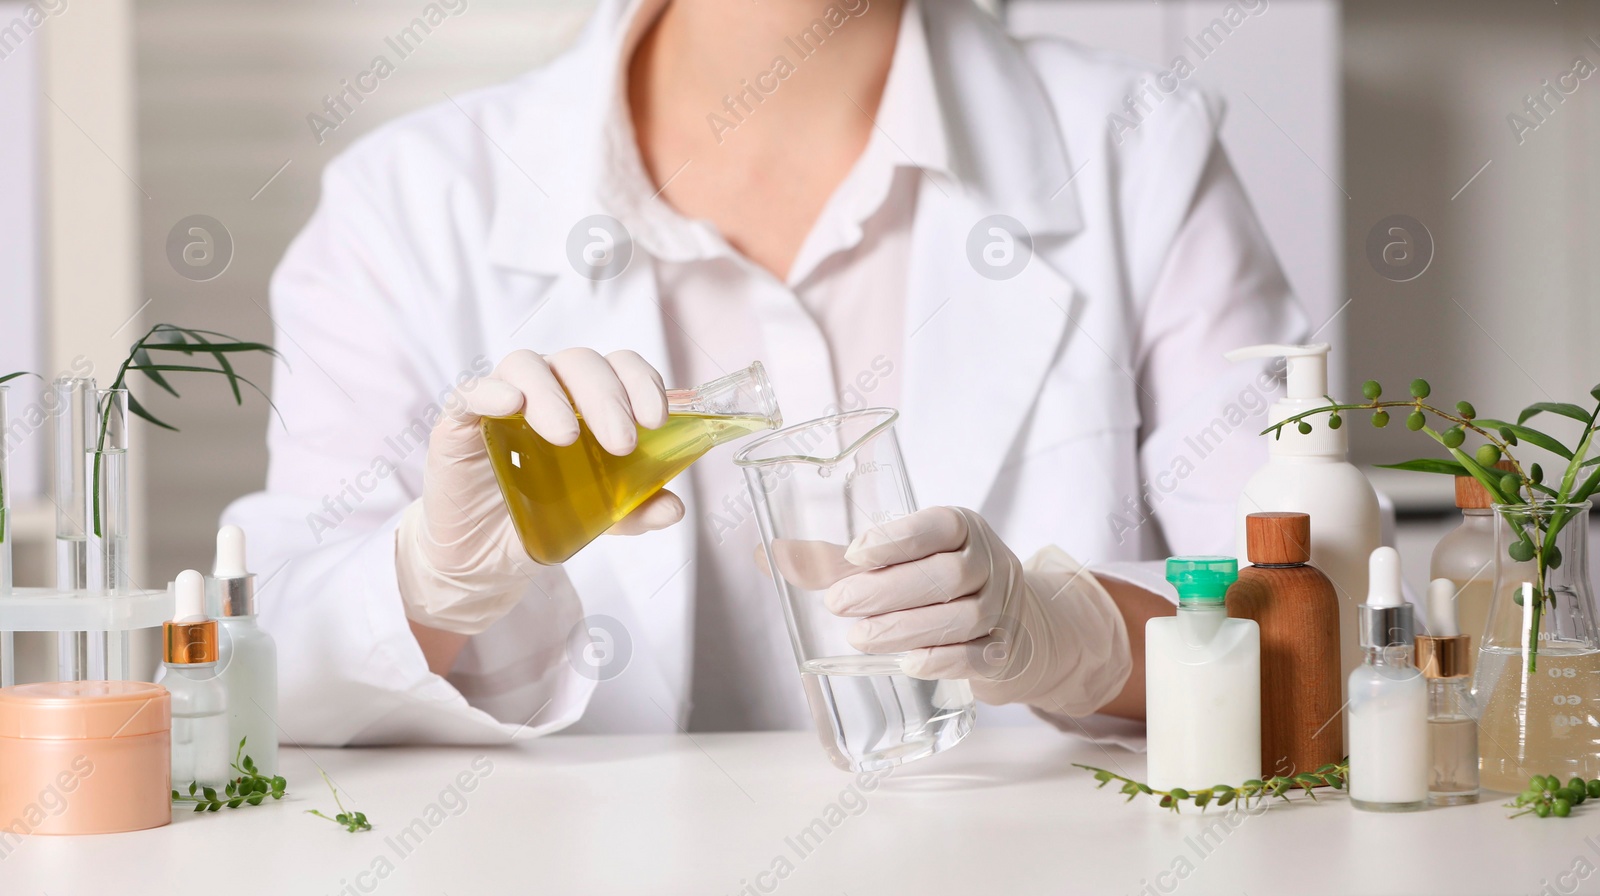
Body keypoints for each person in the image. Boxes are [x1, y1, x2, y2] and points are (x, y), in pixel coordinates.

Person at [224, 0, 1305, 746]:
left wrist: (1076, 636)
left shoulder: (1135, 150)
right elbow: (258, 676)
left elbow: (1314, 630)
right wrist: (431, 582)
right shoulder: (406, 209)